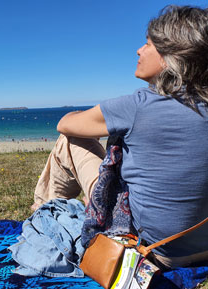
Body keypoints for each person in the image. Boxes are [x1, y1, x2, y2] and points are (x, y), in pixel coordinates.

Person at [31, 5, 208, 269]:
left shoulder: (138, 106)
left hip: (155, 251)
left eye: (149, 44)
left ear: (171, 54)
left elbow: (64, 124)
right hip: (203, 247)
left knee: (70, 141)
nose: (139, 50)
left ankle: (41, 217)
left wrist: (91, 115)